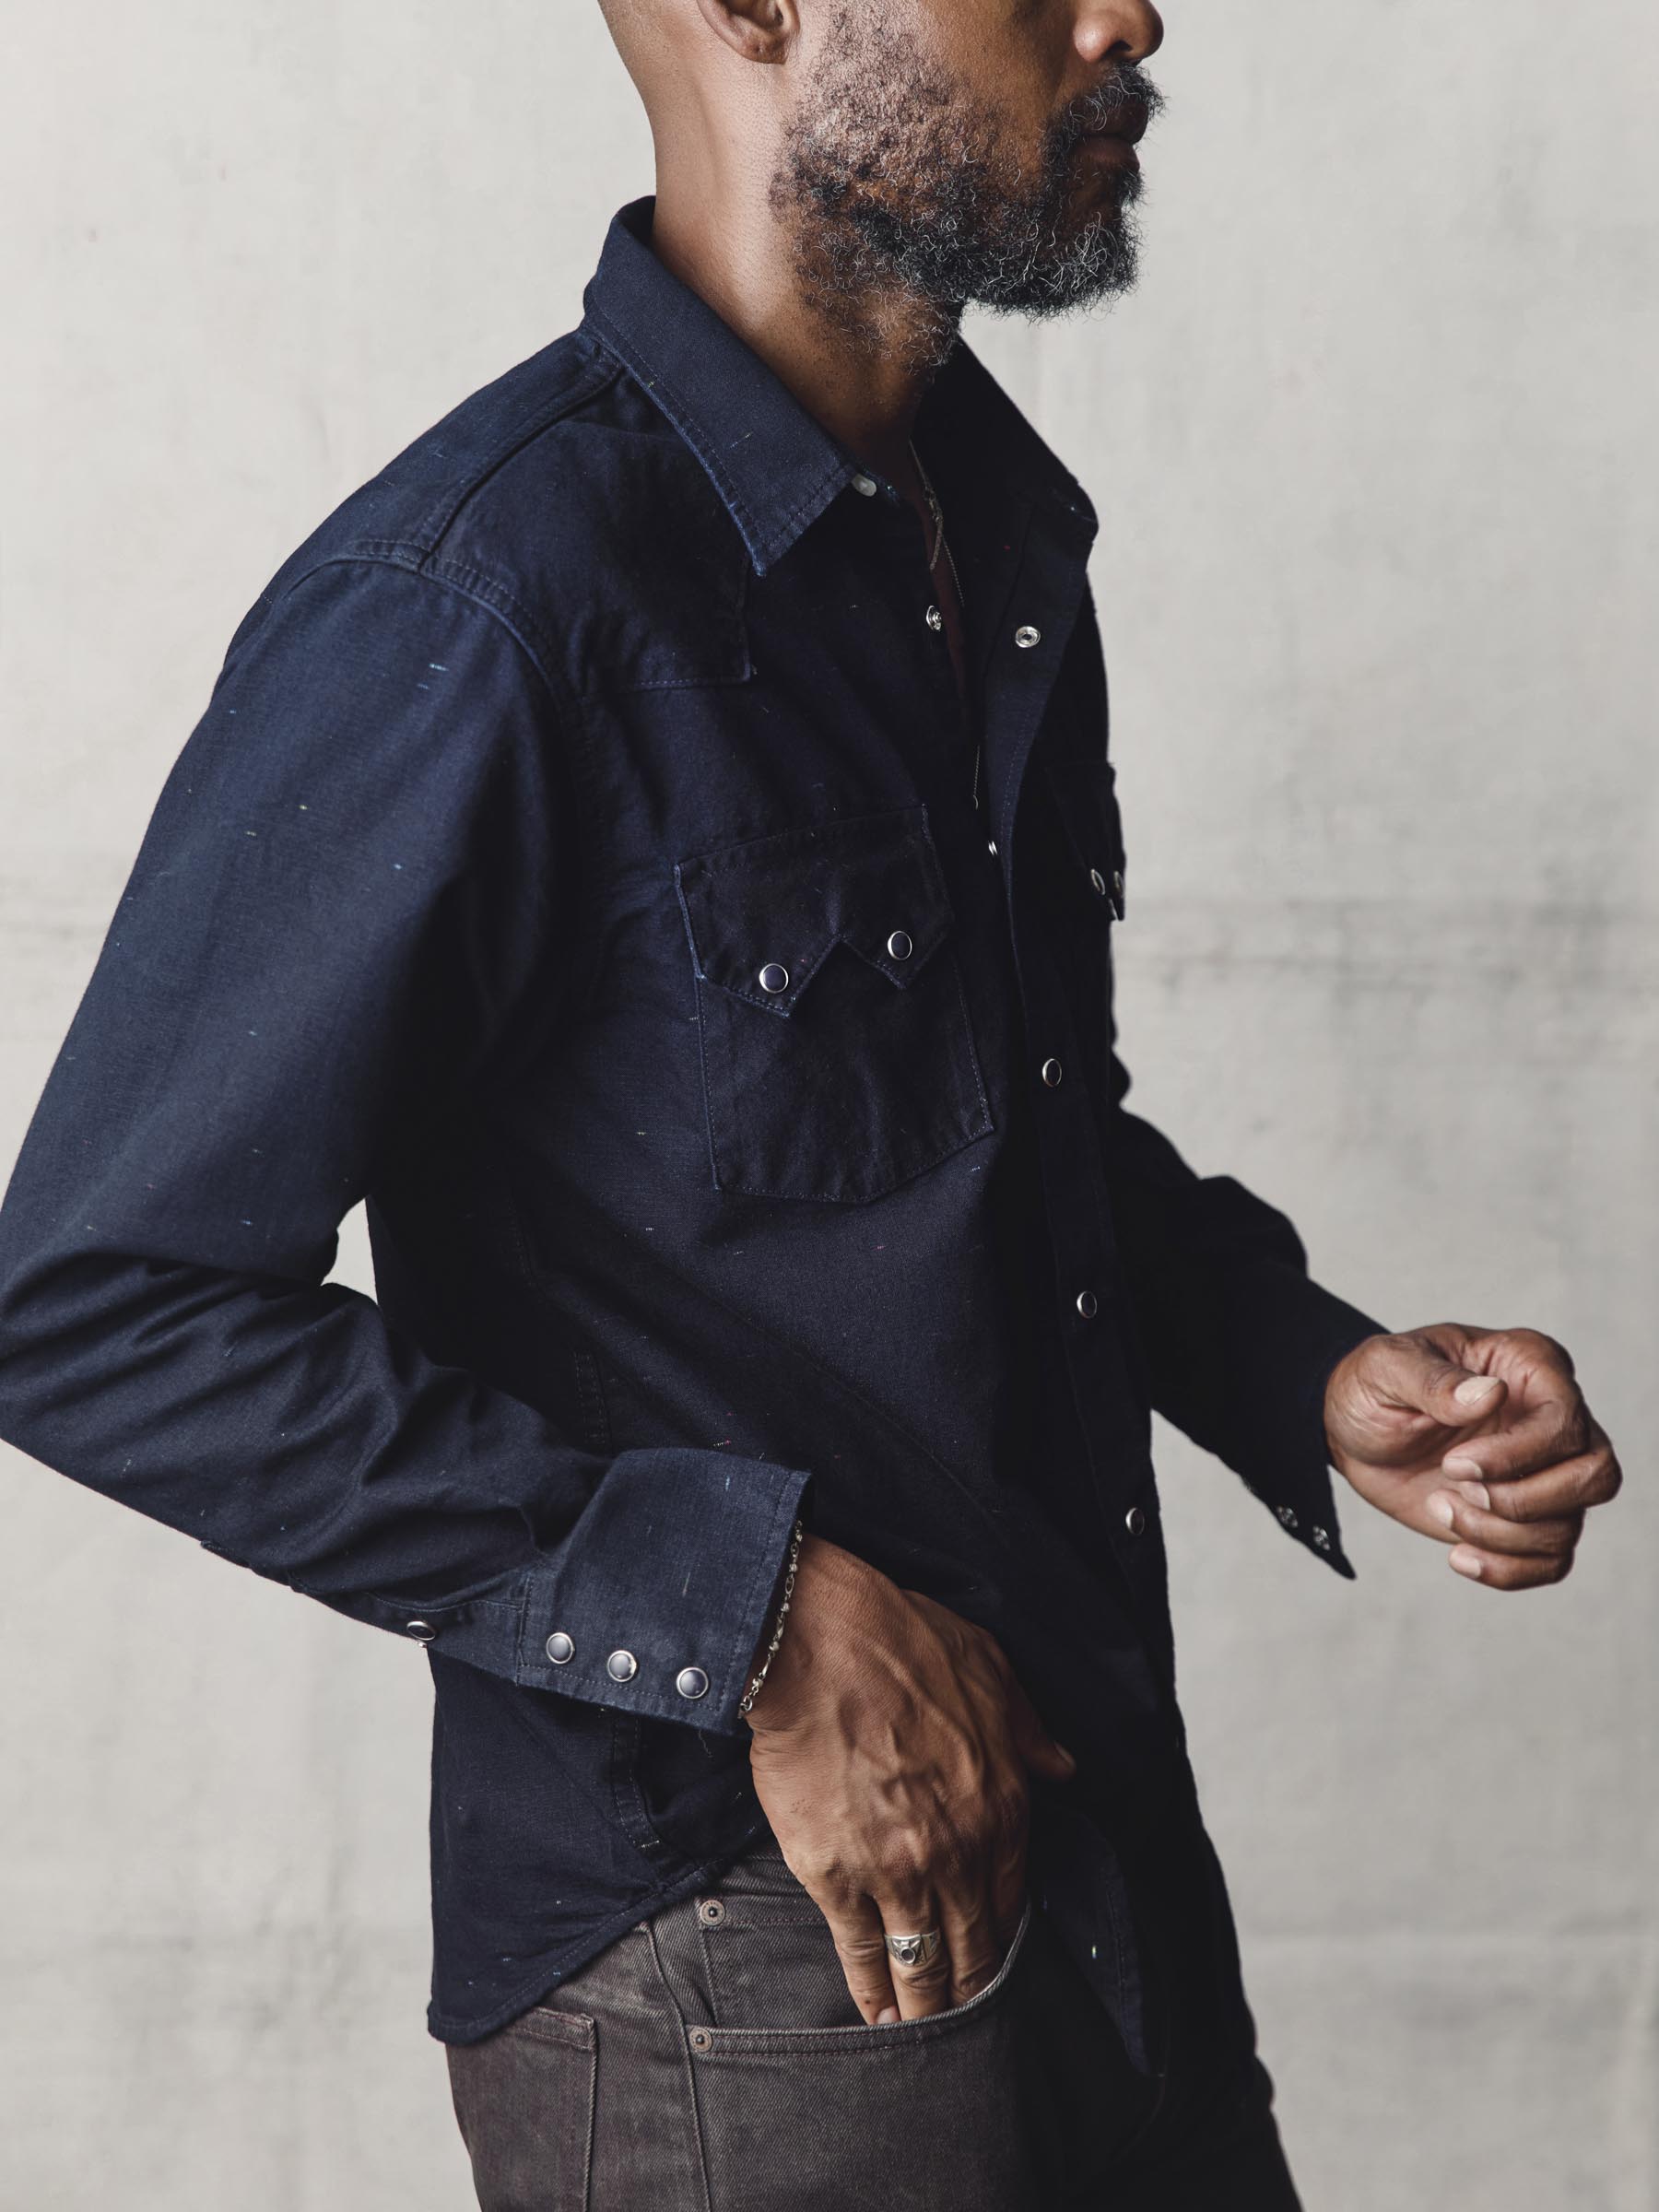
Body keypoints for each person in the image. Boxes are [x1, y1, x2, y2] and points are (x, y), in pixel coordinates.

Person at [0, 0, 1622, 2205]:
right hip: (748, 1975)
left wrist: (1310, 1367)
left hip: (1106, 1875)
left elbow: (1001, 1127)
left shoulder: (988, 538)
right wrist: (747, 1619)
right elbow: (98, 1302)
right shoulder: (479, 596)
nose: (1129, 15)